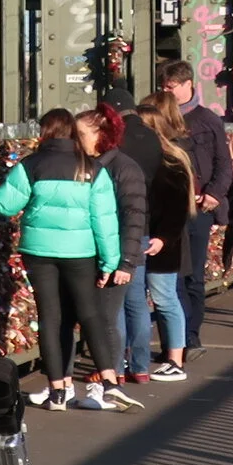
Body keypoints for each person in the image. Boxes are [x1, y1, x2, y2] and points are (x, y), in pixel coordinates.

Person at [0, 109, 124, 410]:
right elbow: (105, 221)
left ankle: (57, 390)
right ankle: (109, 379)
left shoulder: (30, 165)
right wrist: (110, 262)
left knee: (50, 318)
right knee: (89, 313)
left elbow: (4, 205)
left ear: (44, 132)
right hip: (81, 251)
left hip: (39, 252)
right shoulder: (92, 168)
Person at [160, 60, 230, 343]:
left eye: (170, 86)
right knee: (172, 276)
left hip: (200, 209)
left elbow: (223, 163)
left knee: (193, 277)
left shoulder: (208, 120)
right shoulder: (160, 118)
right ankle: (176, 341)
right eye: (163, 86)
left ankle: (191, 336)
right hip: (171, 209)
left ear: (188, 84)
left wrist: (214, 194)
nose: (166, 91)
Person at [99, 86, 165, 385]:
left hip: (117, 226)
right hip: (145, 221)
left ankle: (115, 367)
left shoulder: (116, 142)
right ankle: (140, 367)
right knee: (137, 301)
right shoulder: (153, 137)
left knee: (114, 303)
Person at [79, 107, 142, 406]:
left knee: (106, 319)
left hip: (116, 256)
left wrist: (126, 261)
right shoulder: (85, 164)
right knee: (99, 318)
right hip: (90, 253)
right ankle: (106, 381)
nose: (75, 140)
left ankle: (110, 382)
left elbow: (134, 216)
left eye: (80, 134)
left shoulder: (124, 168)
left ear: (101, 135)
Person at [137, 91, 198, 378]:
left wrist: (163, 238)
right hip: (144, 238)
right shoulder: (146, 160)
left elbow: (177, 209)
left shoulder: (172, 162)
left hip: (161, 242)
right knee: (141, 300)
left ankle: (176, 358)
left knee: (164, 299)